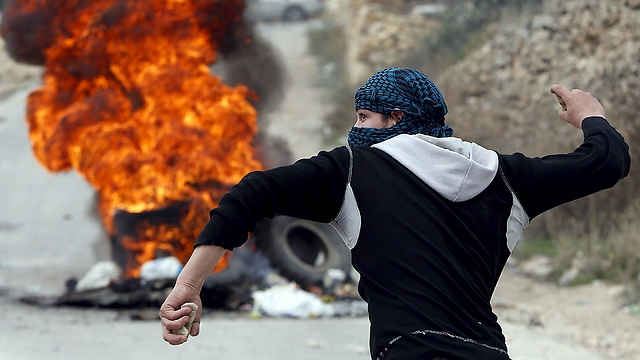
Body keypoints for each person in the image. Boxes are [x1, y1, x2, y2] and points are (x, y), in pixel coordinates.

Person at [159, 68, 630, 359]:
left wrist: (189, 284)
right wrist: (590, 114)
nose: (354, 128)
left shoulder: (350, 171)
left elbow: (251, 193)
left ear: (397, 119)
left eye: (364, 117)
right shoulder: (508, 177)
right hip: (487, 351)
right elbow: (606, 161)